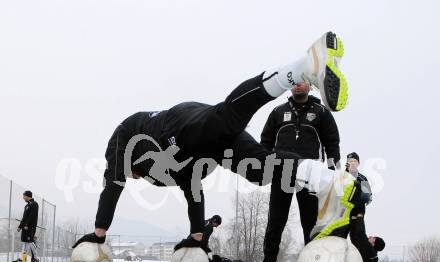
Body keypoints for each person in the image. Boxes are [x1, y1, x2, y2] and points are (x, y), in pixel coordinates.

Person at [73, 32, 350, 250]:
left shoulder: (124, 136)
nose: (133, 177)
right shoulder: (170, 173)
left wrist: (99, 233)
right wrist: (196, 236)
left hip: (177, 126)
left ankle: (303, 67)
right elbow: (193, 190)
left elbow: (113, 184)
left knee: (226, 118)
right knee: (261, 170)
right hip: (206, 149)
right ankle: (327, 181)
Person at [259, 81, 340, 262]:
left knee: (310, 222)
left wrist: (332, 171)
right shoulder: (278, 112)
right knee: (276, 219)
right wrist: (265, 166)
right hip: (282, 171)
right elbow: (265, 143)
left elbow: (332, 142)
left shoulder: (322, 112)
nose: (297, 85)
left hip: (310, 174)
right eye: (294, 82)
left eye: (301, 82)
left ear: (310, 86)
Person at [13, 191, 39, 262]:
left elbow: (32, 216)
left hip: (30, 227)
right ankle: (24, 259)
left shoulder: (34, 204)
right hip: (25, 227)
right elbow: (24, 217)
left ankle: (33, 258)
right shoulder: (27, 206)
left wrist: (27, 225)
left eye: (24, 196)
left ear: (28, 196)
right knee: (25, 242)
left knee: (29, 242)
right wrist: (20, 226)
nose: (23, 198)